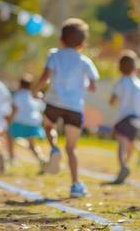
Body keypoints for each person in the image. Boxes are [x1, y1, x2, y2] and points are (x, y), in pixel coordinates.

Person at [34, 18, 99, 198]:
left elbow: (45, 75)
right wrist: (84, 86)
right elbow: (93, 85)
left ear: (61, 40)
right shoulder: (85, 61)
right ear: (83, 44)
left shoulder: (54, 55)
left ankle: (54, 148)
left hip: (54, 102)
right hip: (74, 107)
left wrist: (35, 90)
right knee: (71, 149)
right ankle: (76, 185)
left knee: (48, 126)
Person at [109, 50, 140, 184]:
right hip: (137, 119)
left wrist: (114, 101)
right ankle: (126, 164)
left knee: (122, 144)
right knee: (131, 143)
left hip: (124, 117)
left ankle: (123, 165)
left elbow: (112, 100)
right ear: (136, 68)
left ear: (120, 68)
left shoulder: (121, 82)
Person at [7, 73, 47, 172]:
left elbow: (14, 110)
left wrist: (9, 122)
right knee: (32, 145)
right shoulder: (34, 96)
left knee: (9, 137)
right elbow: (41, 109)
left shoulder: (18, 95)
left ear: (20, 84)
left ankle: (12, 158)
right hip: (33, 124)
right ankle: (41, 159)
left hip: (20, 122)